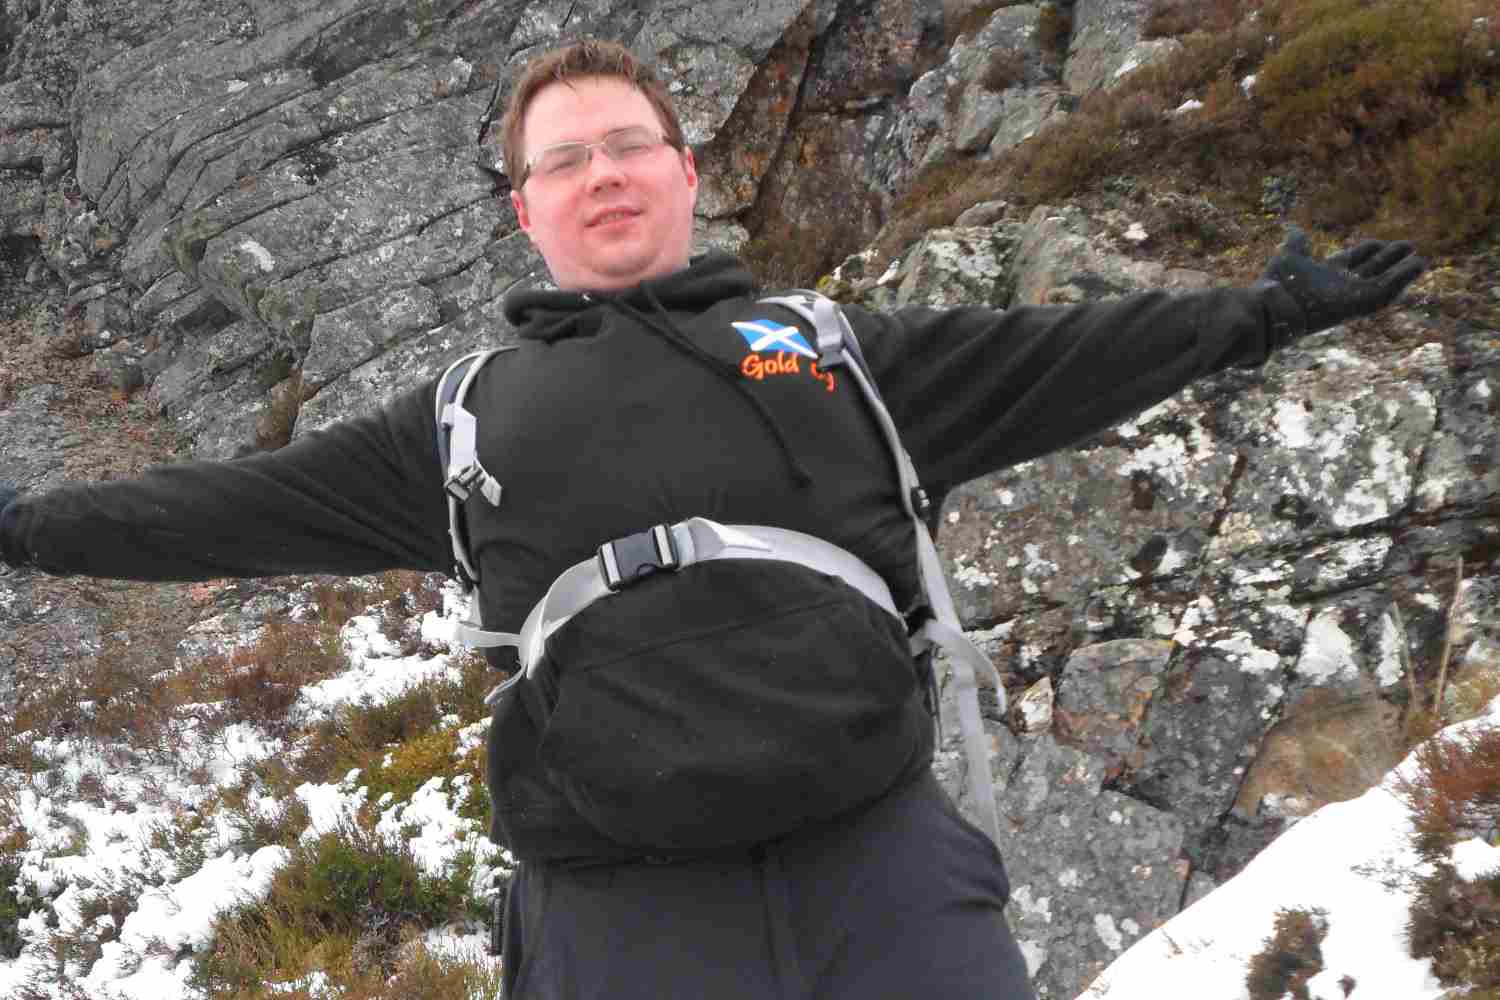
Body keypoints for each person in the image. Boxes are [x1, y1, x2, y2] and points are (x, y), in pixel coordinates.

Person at [0, 38, 1425, 1000]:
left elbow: (1065, 354)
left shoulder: (832, 352)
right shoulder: (461, 419)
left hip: (879, 867)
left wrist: (1267, 313)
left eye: (631, 145)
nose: (604, 173)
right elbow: (218, 508)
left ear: (688, 174)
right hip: (615, 907)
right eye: (566, 160)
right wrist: (23, 525)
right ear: (525, 212)